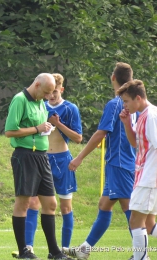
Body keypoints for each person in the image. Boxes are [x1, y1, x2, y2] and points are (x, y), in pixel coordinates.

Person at [63, 62, 138, 260]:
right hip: (127, 162)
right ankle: (84, 250)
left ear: (113, 77)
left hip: (119, 163)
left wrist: (79, 157)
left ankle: (142, 254)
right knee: (105, 205)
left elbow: (101, 133)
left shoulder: (116, 104)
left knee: (129, 208)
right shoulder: (136, 104)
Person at [4, 73, 73, 260]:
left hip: (43, 157)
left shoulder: (40, 103)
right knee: (24, 203)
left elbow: (41, 126)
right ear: (36, 85)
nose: (48, 97)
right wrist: (37, 129)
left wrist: (46, 129)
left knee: (51, 204)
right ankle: (24, 251)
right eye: (45, 92)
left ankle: (54, 252)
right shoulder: (20, 100)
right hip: (25, 156)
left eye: (51, 93)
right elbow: (10, 131)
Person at [24, 73, 82, 253]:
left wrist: (58, 124)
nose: (51, 96)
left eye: (55, 92)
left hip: (63, 160)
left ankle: (63, 249)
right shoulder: (40, 105)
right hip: (42, 159)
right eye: (49, 92)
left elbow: (78, 138)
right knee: (33, 202)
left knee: (65, 206)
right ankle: (28, 247)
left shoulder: (70, 108)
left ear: (61, 90)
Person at [117, 79, 157, 260]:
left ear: (138, 98)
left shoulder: (151, 116)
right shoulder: (142, 115)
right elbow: (136, 144)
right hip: (143, 175)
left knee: (135, 220)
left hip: (150, 178)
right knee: (149, 224)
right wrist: (127, 124)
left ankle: (140, 258)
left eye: (126, 101)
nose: (124, 105)